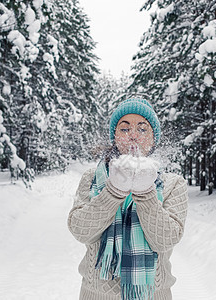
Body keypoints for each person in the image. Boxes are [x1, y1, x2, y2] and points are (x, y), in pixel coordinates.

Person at [68, 98, 188, 300]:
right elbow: (80, 231)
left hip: (152, 295)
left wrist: (145, 193)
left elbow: (165, 241)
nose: (133, 135)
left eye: (142, 129)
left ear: (153, 138)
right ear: (114, 137)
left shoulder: (173, 183)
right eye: (124, 129)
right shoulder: (93, 178)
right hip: (96, 294)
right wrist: (113, 191)